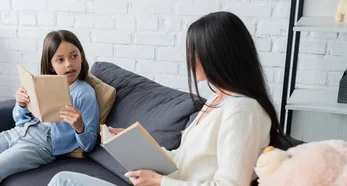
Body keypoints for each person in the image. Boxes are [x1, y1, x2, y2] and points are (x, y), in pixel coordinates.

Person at [48, 11, 284, 186]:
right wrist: (139, 142)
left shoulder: (243, 111)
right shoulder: (216, 100)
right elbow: (182, 160)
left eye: (193, 50)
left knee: (63, 181)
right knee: (62, 180)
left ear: (217, 55)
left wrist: (160, 182)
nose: (187, 56)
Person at [0, 30, 99, 186]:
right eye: (60, 60)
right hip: (18, 132)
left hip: (41, 145)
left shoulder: (84, 94)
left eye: (74, 56)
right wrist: (21, 104)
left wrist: (79, 127)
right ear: (51, 65)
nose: (69, 64)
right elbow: (20, 120)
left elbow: (89, 144)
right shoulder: (43, 83)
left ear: (81, 56)